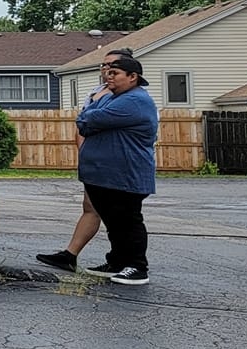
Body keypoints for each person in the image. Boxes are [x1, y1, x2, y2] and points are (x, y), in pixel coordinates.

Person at [34, 50, 132, 272]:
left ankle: (125, 262)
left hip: (114, 163)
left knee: (118, 213)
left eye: (113, 66)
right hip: (93, 160)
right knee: (92, 207)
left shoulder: (126, 96)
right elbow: (83, 123)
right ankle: (70, 255)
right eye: (104, 65)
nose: (107, 70)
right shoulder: (98, 91)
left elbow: (95, 122)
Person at [75, 52, 157, 285]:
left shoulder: (134, 101)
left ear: (133, 77)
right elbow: (84, 121)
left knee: (127, 220)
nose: (108, 77)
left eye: (115, 73)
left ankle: (137, 266)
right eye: (107, 72)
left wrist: (89, 117)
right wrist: (90, 116)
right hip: (105, 175)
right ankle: (118, 261)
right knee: (114, 221)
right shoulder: (112, 97)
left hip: (126, 173)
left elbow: (88, 120)